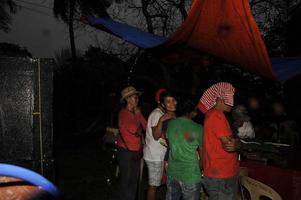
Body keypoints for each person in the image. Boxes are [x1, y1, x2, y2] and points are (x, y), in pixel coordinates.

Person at [198, 82, 240, 200]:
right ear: (220, 99)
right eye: (230, 100)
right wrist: (237, 144)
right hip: (222, 173)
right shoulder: (217, 116)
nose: (232, 104)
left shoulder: (212, 114)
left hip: (216, 172)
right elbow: (229, 145)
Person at [165, 98, 203, 200]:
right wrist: (201, 168)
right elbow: (202, 154)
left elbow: (170, 146)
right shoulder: (198, 128)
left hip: (173, 172)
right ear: (190, 111)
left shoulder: (171, 124)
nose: (196, 113)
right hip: (190, 174)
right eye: (195, 110)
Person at [144, 89, 177, 200]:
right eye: (167, 101)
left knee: (157, 184)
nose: (171, 103)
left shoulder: (163, 114)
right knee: (153, 186)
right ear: (161, 102)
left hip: (158, 155)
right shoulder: (157, 114)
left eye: (173, 100)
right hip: (154, 155)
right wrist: (161, 121)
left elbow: (164, 136)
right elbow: (156, 135)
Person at [116, 86, 147, 200]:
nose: (137, 99)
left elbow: (146, 126)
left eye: (137, 97)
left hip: (136, 152)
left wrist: (139, 115)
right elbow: (133, 128)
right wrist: (138, 129)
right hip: (125, 151)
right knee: (126, 181)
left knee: (134, 181)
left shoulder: (136, 113)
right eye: (135, 97)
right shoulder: (123, 113)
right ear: (128, 99)